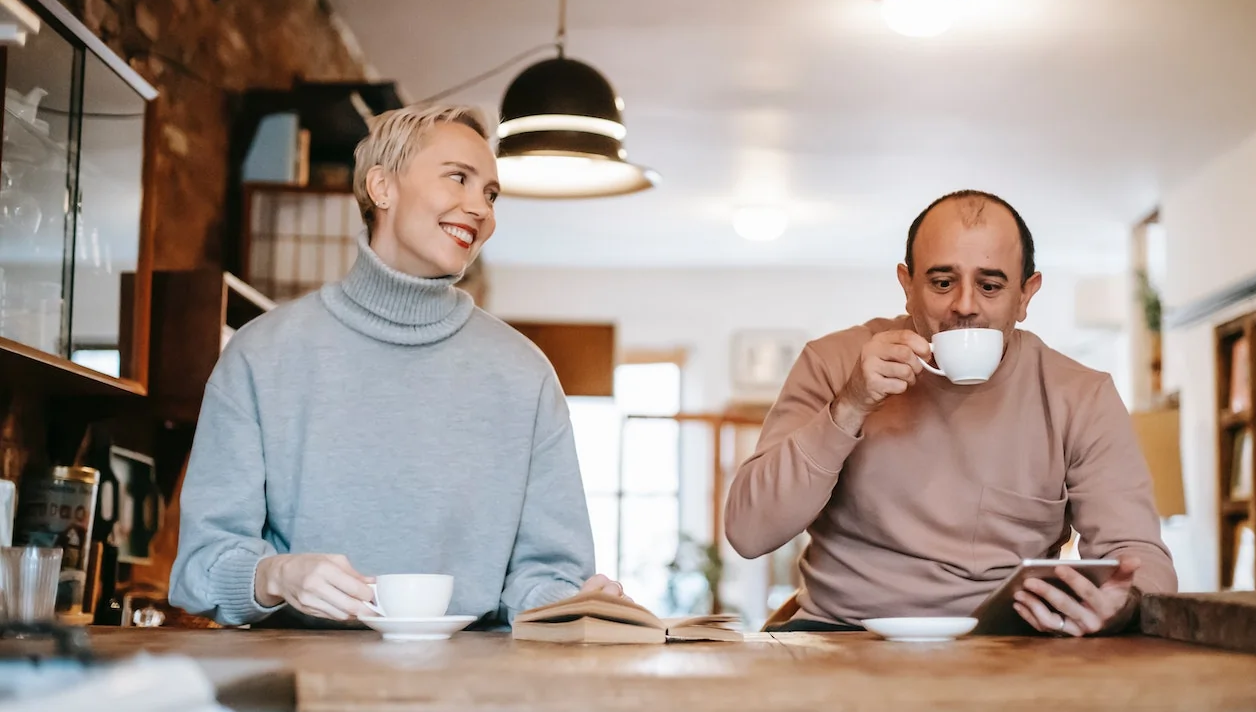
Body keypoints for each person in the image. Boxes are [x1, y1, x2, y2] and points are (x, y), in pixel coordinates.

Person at [170, 103, 622, 628]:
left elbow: (546, 575)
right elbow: (202, 565)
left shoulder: (526, 376)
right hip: (295, 685)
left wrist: (573, 602)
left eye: (491, 195)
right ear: (382, 188)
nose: (480, 209)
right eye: (459, 178)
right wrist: (276, 575)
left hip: (477, 689)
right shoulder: (259, 356)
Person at [725, 190, 1176, 637]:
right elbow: (749, 532)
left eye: (990, 285)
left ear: (1025, 296)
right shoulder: (835, 364)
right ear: (907, 286)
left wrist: (1119, 604)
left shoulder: (1080, 394)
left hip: (1009, 642)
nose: (964, 305)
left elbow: (1137, 553)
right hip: (842, 630)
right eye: (942, 283)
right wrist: (850, 405)